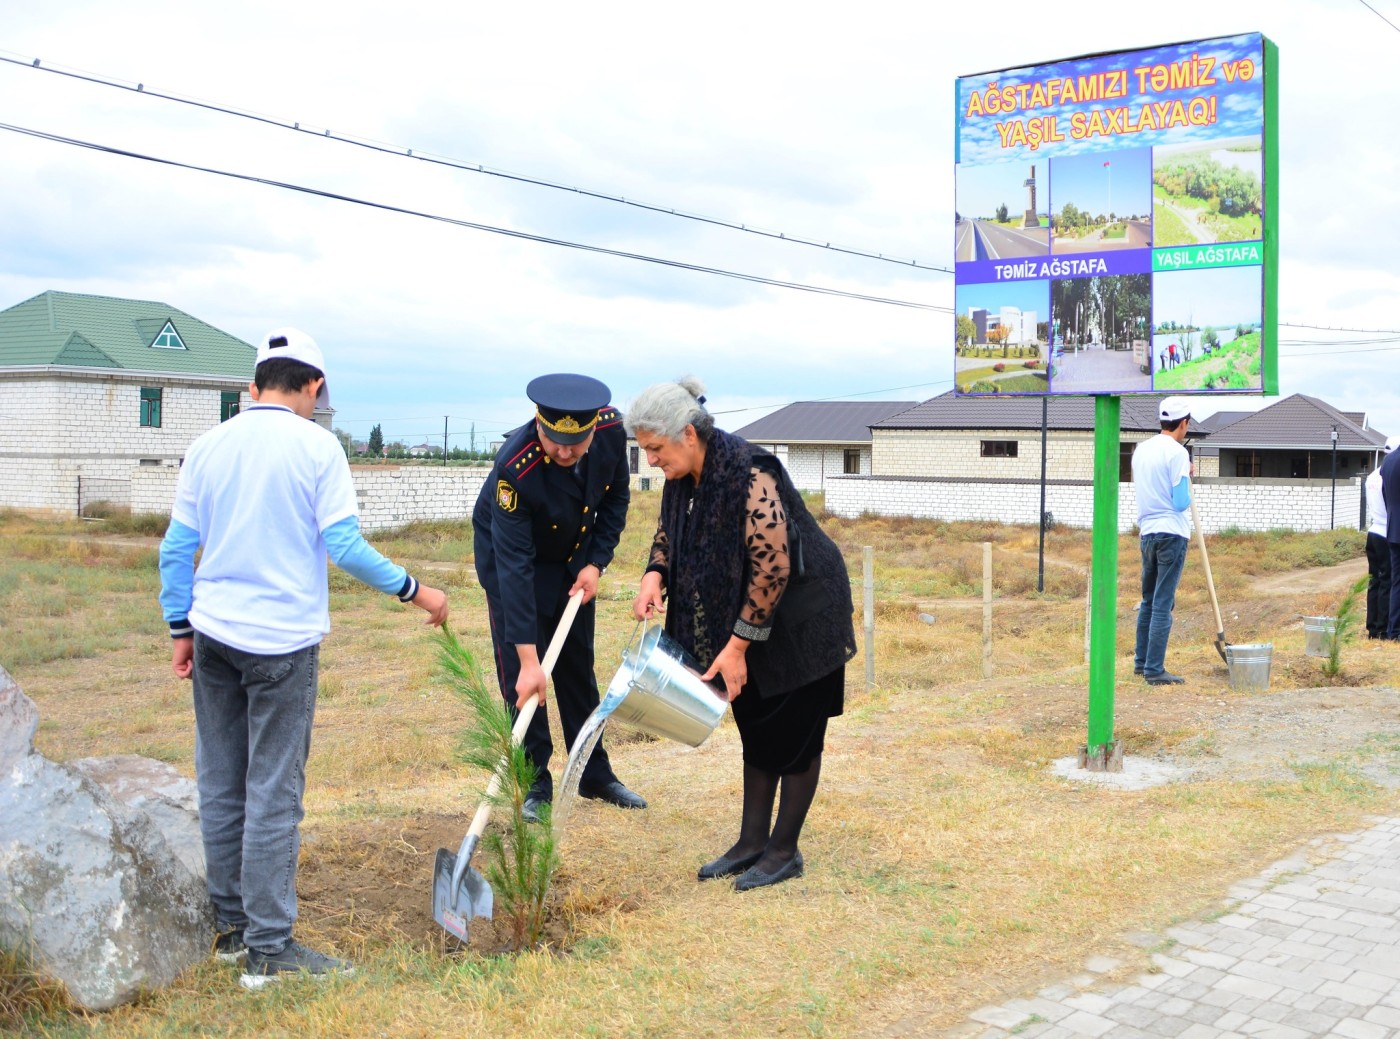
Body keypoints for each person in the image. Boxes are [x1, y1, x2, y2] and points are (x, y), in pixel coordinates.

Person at [158, 328, 448, 990]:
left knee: (222, 779)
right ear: (315, 386)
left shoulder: (207, 445)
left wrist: (180, 628)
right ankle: (269, 948)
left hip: (213, 637)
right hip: (282, 644)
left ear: (255, 383)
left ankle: (231, 931)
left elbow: (176, 549)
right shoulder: (319, 447)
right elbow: (342, 546)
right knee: (274, 791)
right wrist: (416, 589)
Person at [626, 377, 856, 891]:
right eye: (645, 452)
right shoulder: (684, 479)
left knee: (796, 733)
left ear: (687, 433)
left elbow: (772, 565)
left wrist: (735, 647)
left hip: (801, 616)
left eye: (656, 449)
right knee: (756, 722)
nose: (652, 461)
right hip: (753, 616)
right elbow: (669, 530)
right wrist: (654, 573)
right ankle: (752, 841)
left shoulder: (749, 473)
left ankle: (784, 850)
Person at [473, 373, 641, 821]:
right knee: (523, 681)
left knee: (576, 669)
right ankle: (535, 784)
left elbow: (616, 498)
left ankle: (593, 773)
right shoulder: (515, 469)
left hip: (571, 561)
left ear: (592, 429)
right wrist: (529, 660)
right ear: (538, 422)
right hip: (512, 563)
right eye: (555, 441)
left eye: (575, 442)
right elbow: (514, 568)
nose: (565, 452)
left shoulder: (609, 432)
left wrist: (596, 563)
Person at [1131, 396, 1193, 684]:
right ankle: (1155, 671)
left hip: (1147, 533)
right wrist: (1187, 478)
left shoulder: (1141, 450)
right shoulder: (1178, 453)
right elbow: (1181, 502)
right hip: (1172, 533)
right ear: (1184, 423)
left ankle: (1141, 663)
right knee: (1162, 603)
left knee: (1147, 601)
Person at [1364, 437, 1398, 638]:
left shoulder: (1371, 477)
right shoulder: (1389, 475)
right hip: (1387, 531)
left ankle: (1372, 628)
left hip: (1373, 531)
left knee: (1374, 581)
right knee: (1388, 581)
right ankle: (1384, 627)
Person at [1381, 437, 1400, 640]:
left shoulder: (1389, 460)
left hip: (1394, 529)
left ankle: (1394, 631)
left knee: (1397, 583)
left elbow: (1385, 495)